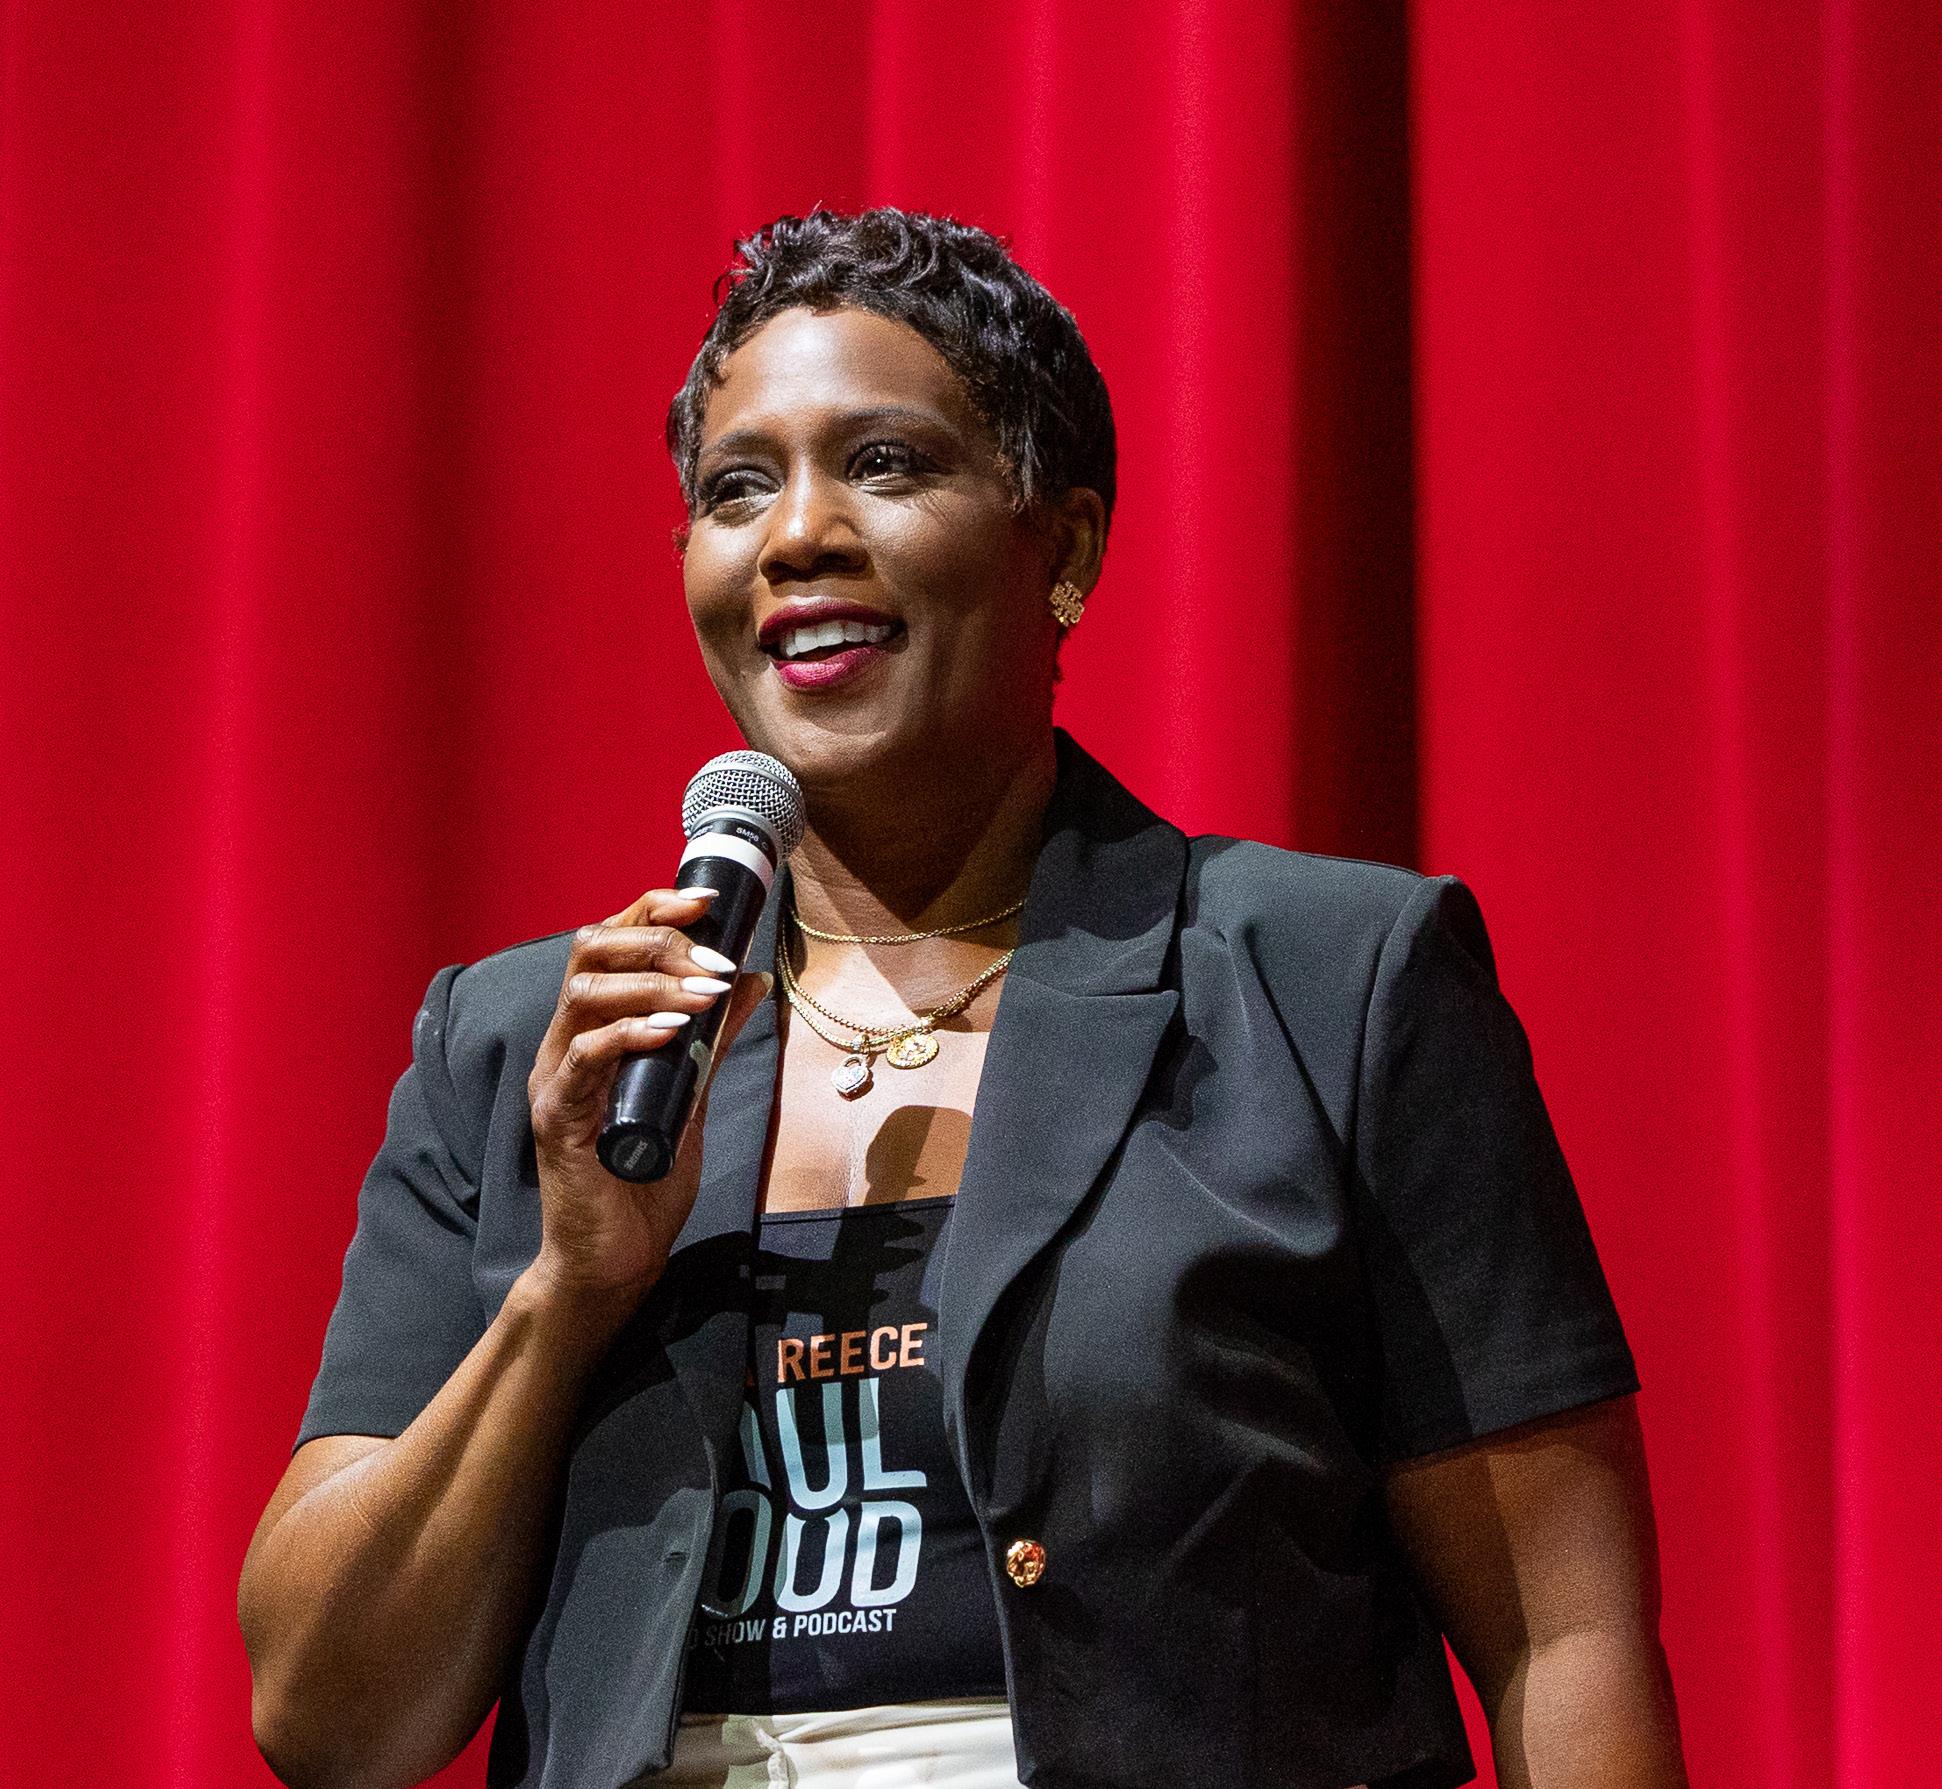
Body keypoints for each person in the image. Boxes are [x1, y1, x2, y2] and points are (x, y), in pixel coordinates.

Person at [239, 207, 1688, 1789]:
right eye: (736, 488)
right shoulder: (540, 1048)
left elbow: (1563, 1636)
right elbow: (330, 1718)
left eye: (883, 463)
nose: (796, 535)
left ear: (1062, 547)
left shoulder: (1329, 980)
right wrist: (564, 1291)